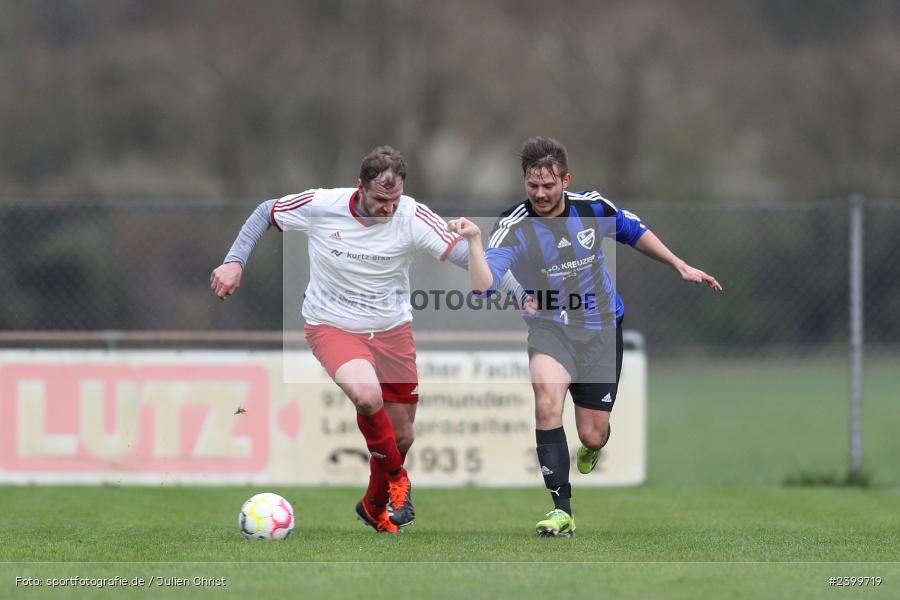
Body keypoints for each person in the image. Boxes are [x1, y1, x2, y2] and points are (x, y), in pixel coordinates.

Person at [211, 146, 525, 534]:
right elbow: (265, 211)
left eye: (394, 200)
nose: (388, 208)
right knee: (367, 396)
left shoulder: (411, 216)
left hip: (393, 331)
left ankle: (373, 504)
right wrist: (234, 259)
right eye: (380, 199)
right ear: (360, 187)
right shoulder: (322, 204)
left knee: (402, 436)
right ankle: (398, 481)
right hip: (333, 326)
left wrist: (523, 295)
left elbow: (474, 258)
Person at [450, 137, 722, 537]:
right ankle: (562, 509)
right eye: (532, 185)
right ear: (524, 181)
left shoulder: (592, 208)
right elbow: (485, 285)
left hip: (601, 331)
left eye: (548, 185)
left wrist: (678, 264)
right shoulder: (513, 226)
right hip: (551, 330)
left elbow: (633, 230)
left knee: (592, 433)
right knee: (546, 403)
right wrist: (475, 242)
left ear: (565, 180)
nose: (540, 194)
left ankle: (593, 447)